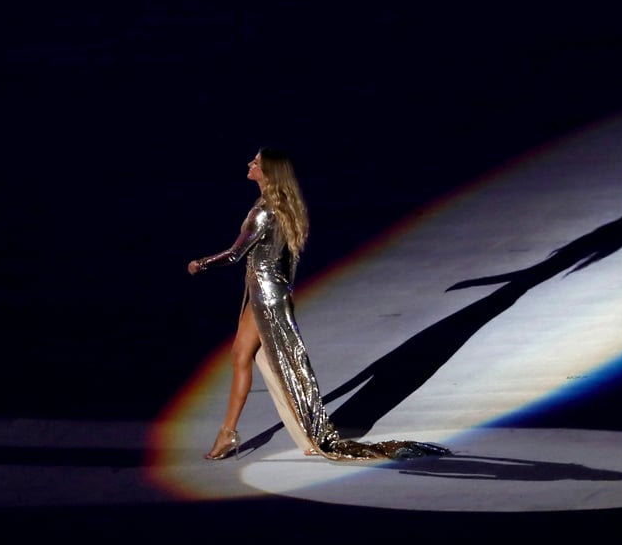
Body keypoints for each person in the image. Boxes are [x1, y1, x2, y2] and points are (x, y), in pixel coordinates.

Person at [187, 147, 449, 462]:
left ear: (267, 172)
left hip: (265, 299)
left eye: (255, 162)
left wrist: (200, 264)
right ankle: (243, 433)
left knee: (258, 361)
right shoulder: (278, 206)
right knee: (248, 358)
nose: (249, 163)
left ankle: (237, 434)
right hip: (269, 294)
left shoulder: (264, 211)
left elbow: (234, 255)